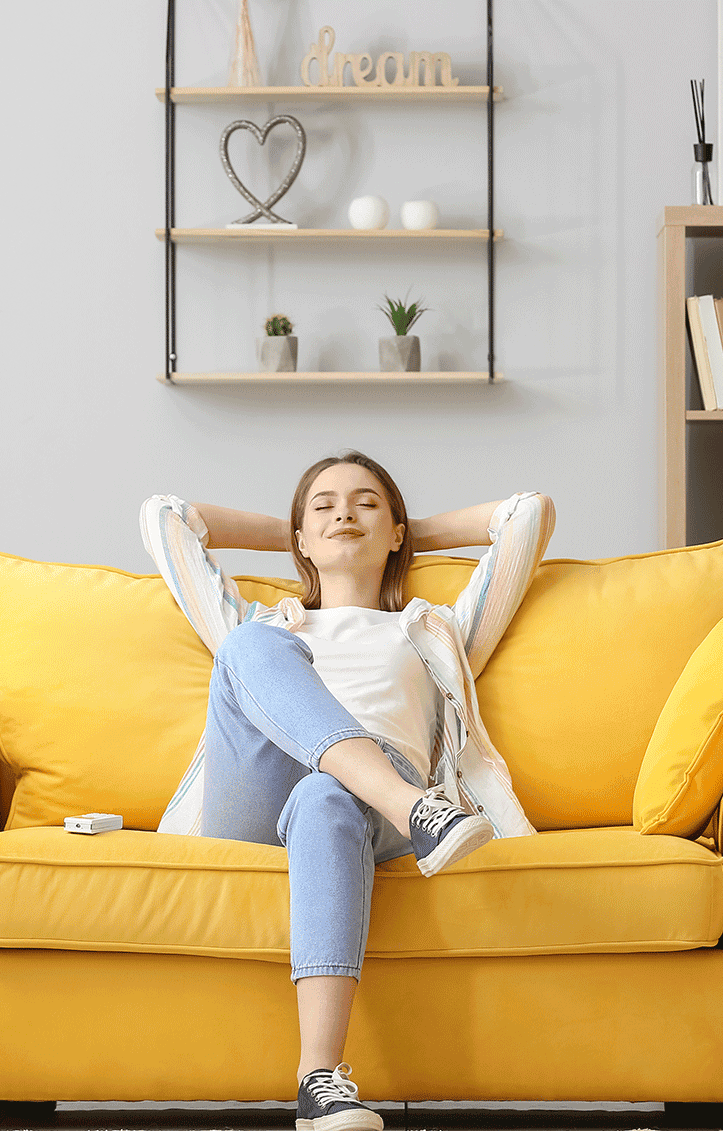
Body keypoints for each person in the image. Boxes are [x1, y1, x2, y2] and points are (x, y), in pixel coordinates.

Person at [140, 450, 554, 1131]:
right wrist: (298, 532)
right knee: (246, 646)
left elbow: (526, 514)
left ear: (396, 533)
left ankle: (319, 1082)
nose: (343, 512)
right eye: (323, 504)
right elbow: (165, 517)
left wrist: (402, 526)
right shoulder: (268, 623)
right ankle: (412, 807)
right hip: (264, 794)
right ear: (299, 535)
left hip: (354, 813)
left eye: (365, 502)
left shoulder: (434, 629)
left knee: (325, 796)